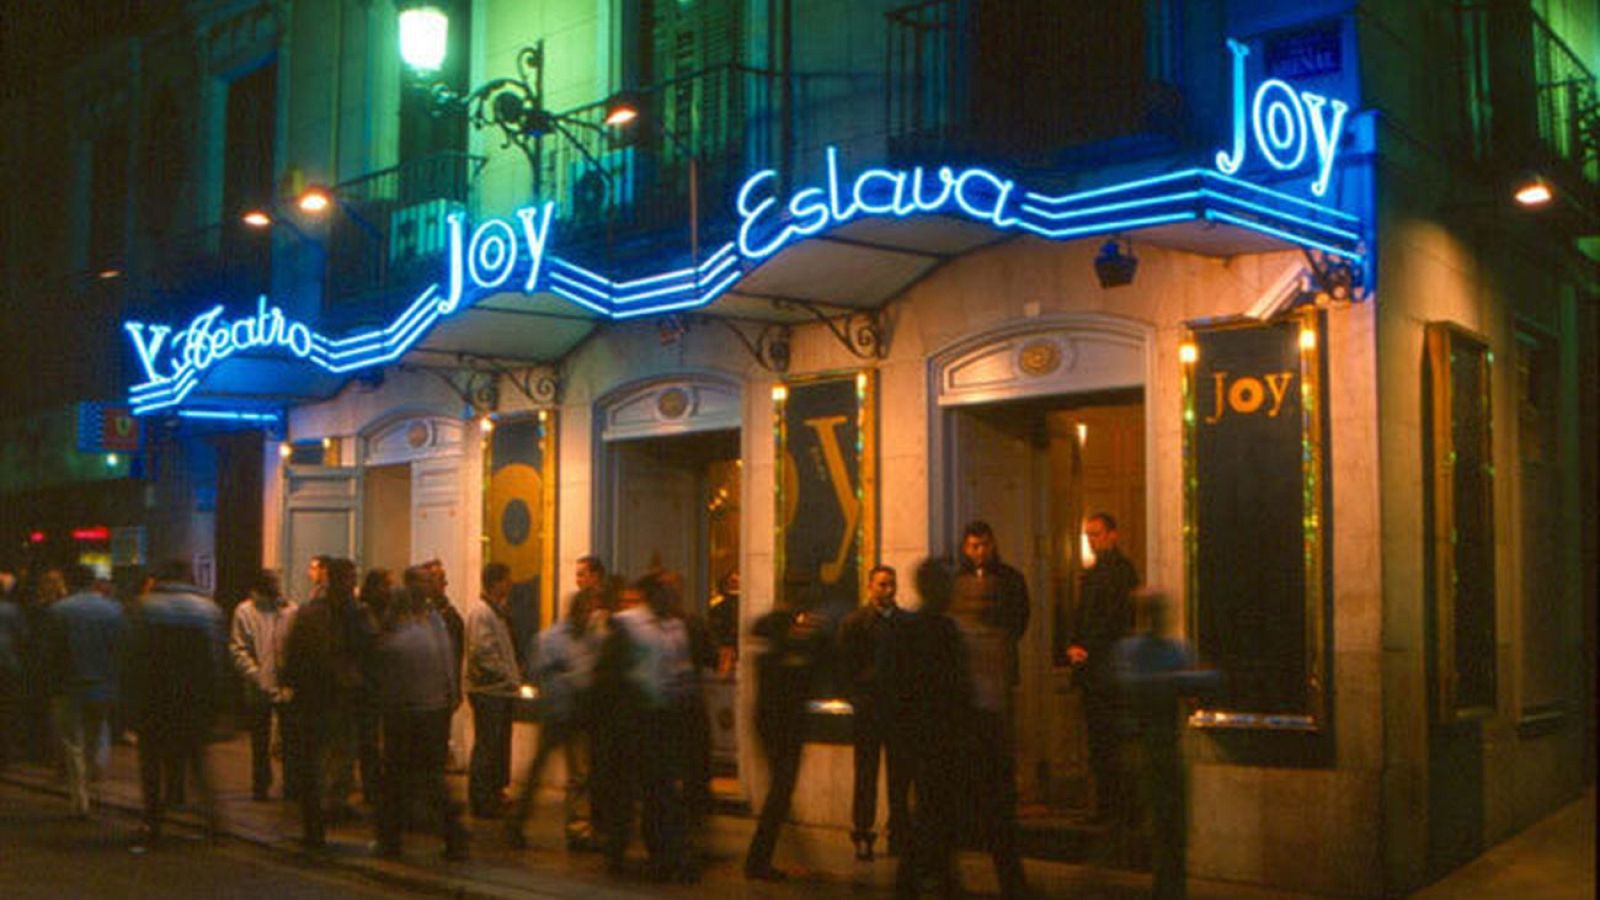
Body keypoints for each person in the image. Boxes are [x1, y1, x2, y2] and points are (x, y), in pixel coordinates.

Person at [593, 572, 698, 882]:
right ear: (654, 596)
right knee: (626, 792)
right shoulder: (627, 625)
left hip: (663, 720)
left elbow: (682, 670)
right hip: (631, 721)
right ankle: (617, 850)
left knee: (660, 790)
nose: (673, 598)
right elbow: (608, 673)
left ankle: (662, 854)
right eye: (666, 593)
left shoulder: (677, 626)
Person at [1115, 590, 1219, 900]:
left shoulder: (1170, 648)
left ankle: (1171, 888)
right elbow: (1133, 686)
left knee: (1173, 824)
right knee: (1160, 822)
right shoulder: (1135, 649)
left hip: (1165, 743)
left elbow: (1203, 680)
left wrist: (1176, 680)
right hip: (1144, 743)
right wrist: (1178, 680)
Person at [949, 522, 1029, 896]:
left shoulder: (1009, 580)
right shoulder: (958, 583)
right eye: (972, 545)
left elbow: (1021, 617)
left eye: (983, 544)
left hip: (996, 690)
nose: (978, 551)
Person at [124, 559, 226, 849]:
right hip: (194, 697)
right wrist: (216, 700)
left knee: (152, 762)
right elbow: (217, 659)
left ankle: (153, 819)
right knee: (197, 760)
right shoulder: (208, 608)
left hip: (154, 696)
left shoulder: (143, 606)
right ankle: (213, 820)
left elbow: (133, 655)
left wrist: (130, 700)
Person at [505, 585, 607, 850]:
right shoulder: (551, 639)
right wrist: (568, 680)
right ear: (573, 611)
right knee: (539, 769)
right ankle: (517, 820)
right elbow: (540, 672)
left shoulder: (593, 638)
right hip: (556, 712)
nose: (588, 616)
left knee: (579, 774)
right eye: (584, 611)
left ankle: (577, 829)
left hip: (580, 713)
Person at [371, 583, 468, 861]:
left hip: (404, 719)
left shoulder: (398, 640)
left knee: (392, 783)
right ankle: (454, 834)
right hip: (430, 713)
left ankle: (389, 841)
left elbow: (386, 682)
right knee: (431, 781)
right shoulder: (430, 632)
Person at [743, 586, 830, 882]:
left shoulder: (789, 629)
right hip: (777, 720)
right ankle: (758, 859)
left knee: (781, 789)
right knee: (780, 790)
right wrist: (798, 642)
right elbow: (775, 668)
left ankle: (765, 856)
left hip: (782, 719)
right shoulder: (772, 626)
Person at [283, 558, 369, 848]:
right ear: (333, 580)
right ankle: (314, 825)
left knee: (343, 757)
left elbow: (368, 650)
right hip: (317, 699)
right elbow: (294, 655)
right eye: (348, 578)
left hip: (346, 698)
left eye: (353, 578)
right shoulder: (312, 614)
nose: (352, 584)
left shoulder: (357, 614)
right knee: (315, 764)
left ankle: (334, 807)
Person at [1068, 512, 1139, 825]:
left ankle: (1117, 810)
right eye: (1088, 535)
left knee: (1109, 742)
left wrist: (1086, 648)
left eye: (1096, 534)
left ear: (1113, 535)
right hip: (1094, 668)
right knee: (1099, 742)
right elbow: (1083, 615)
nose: (1092, 541)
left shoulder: (1121, 572)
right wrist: (1073, 644)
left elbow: (1114, 619)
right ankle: (1107, 808)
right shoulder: (1096, 571)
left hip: (1107, 669)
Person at [839, 564, 911, 861]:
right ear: (870, 587)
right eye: (882, 584)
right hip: (869, 708)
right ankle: (863, 832)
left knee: (899, 776)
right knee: (866, 774)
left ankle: (899, 832)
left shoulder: (905, 623)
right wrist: (856, 698)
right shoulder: (855, 622)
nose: (888, 590)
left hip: (896, 708)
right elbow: (844, 666)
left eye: (891, 584)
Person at [45, 564, 127, 817]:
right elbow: (121, 648)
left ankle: (80, 797)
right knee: (95, 735)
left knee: (73, 743)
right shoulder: (113, 610)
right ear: (93, 583)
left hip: (68, 686)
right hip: (103, 685)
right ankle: (93, 778)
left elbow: (50, 652)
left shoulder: (59, 611)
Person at [229, 569, 298, 802]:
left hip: (285, 686)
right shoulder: (245, 611)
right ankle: (261, 785)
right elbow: (238, 649)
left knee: (289, 739)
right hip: (258, 688)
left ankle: (290, 784)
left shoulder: (290, 610)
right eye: (272, 582)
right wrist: (256, 676)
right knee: (260, 740)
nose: (277, 585)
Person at [465, 562, 520, 819]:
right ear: (496, 582)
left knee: (498, 745)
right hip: (490, 690)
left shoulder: (498, 612)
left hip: (501, 690)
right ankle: (482, 797)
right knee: (488, 745)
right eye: (506, 580)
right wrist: (506, 675)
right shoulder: (482, 613)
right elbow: (482, 651)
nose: (509, 585)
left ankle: (495, 792)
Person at [0, 569, 22, 771]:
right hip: (9, 664)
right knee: (7, 709)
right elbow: (23, 636)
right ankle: (6, 753)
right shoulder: (13, 610)